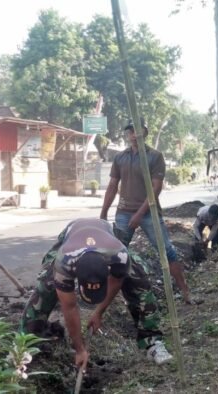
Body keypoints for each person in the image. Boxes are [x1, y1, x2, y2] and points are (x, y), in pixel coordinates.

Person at [20, 218, 174, 369]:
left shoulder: (119, 256)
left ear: (108, 269)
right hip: (72, 234)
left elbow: (116, 281)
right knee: (46, 285)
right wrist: (79, 349)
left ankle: (152, 342)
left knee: (139, 279)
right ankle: (24, 346)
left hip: (106, 234)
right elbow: (69, 306)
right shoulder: (65, 263)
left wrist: (99, 312)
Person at [100, 120, 194, 305]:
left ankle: (185, 291)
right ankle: (110, 297)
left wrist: (139, 214)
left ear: (145, 132)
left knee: (167, 251)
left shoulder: (155, 156)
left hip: (149, 212)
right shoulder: (120, 157)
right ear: (127, 135)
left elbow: (156, 188)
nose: (134, 134)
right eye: (131, 131)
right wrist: (103, 213)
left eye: (138, 130)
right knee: (116, 253)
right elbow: (112, 186)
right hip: (123, 212)